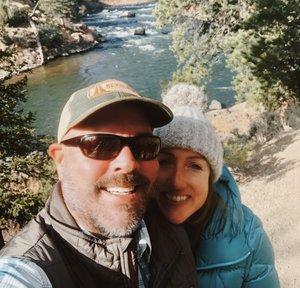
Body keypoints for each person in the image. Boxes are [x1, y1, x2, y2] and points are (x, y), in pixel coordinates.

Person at [0, 79, 197, 288]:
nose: (129, 163)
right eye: (100, 145)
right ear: (60, 159)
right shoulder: (32, 268)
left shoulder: (171, 213)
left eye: (145, 146)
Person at [153, 84, 280, 288]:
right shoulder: (126, 229)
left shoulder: (249, 238)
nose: (177, 181)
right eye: (165, 161)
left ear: (212, 177)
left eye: (194, 166)